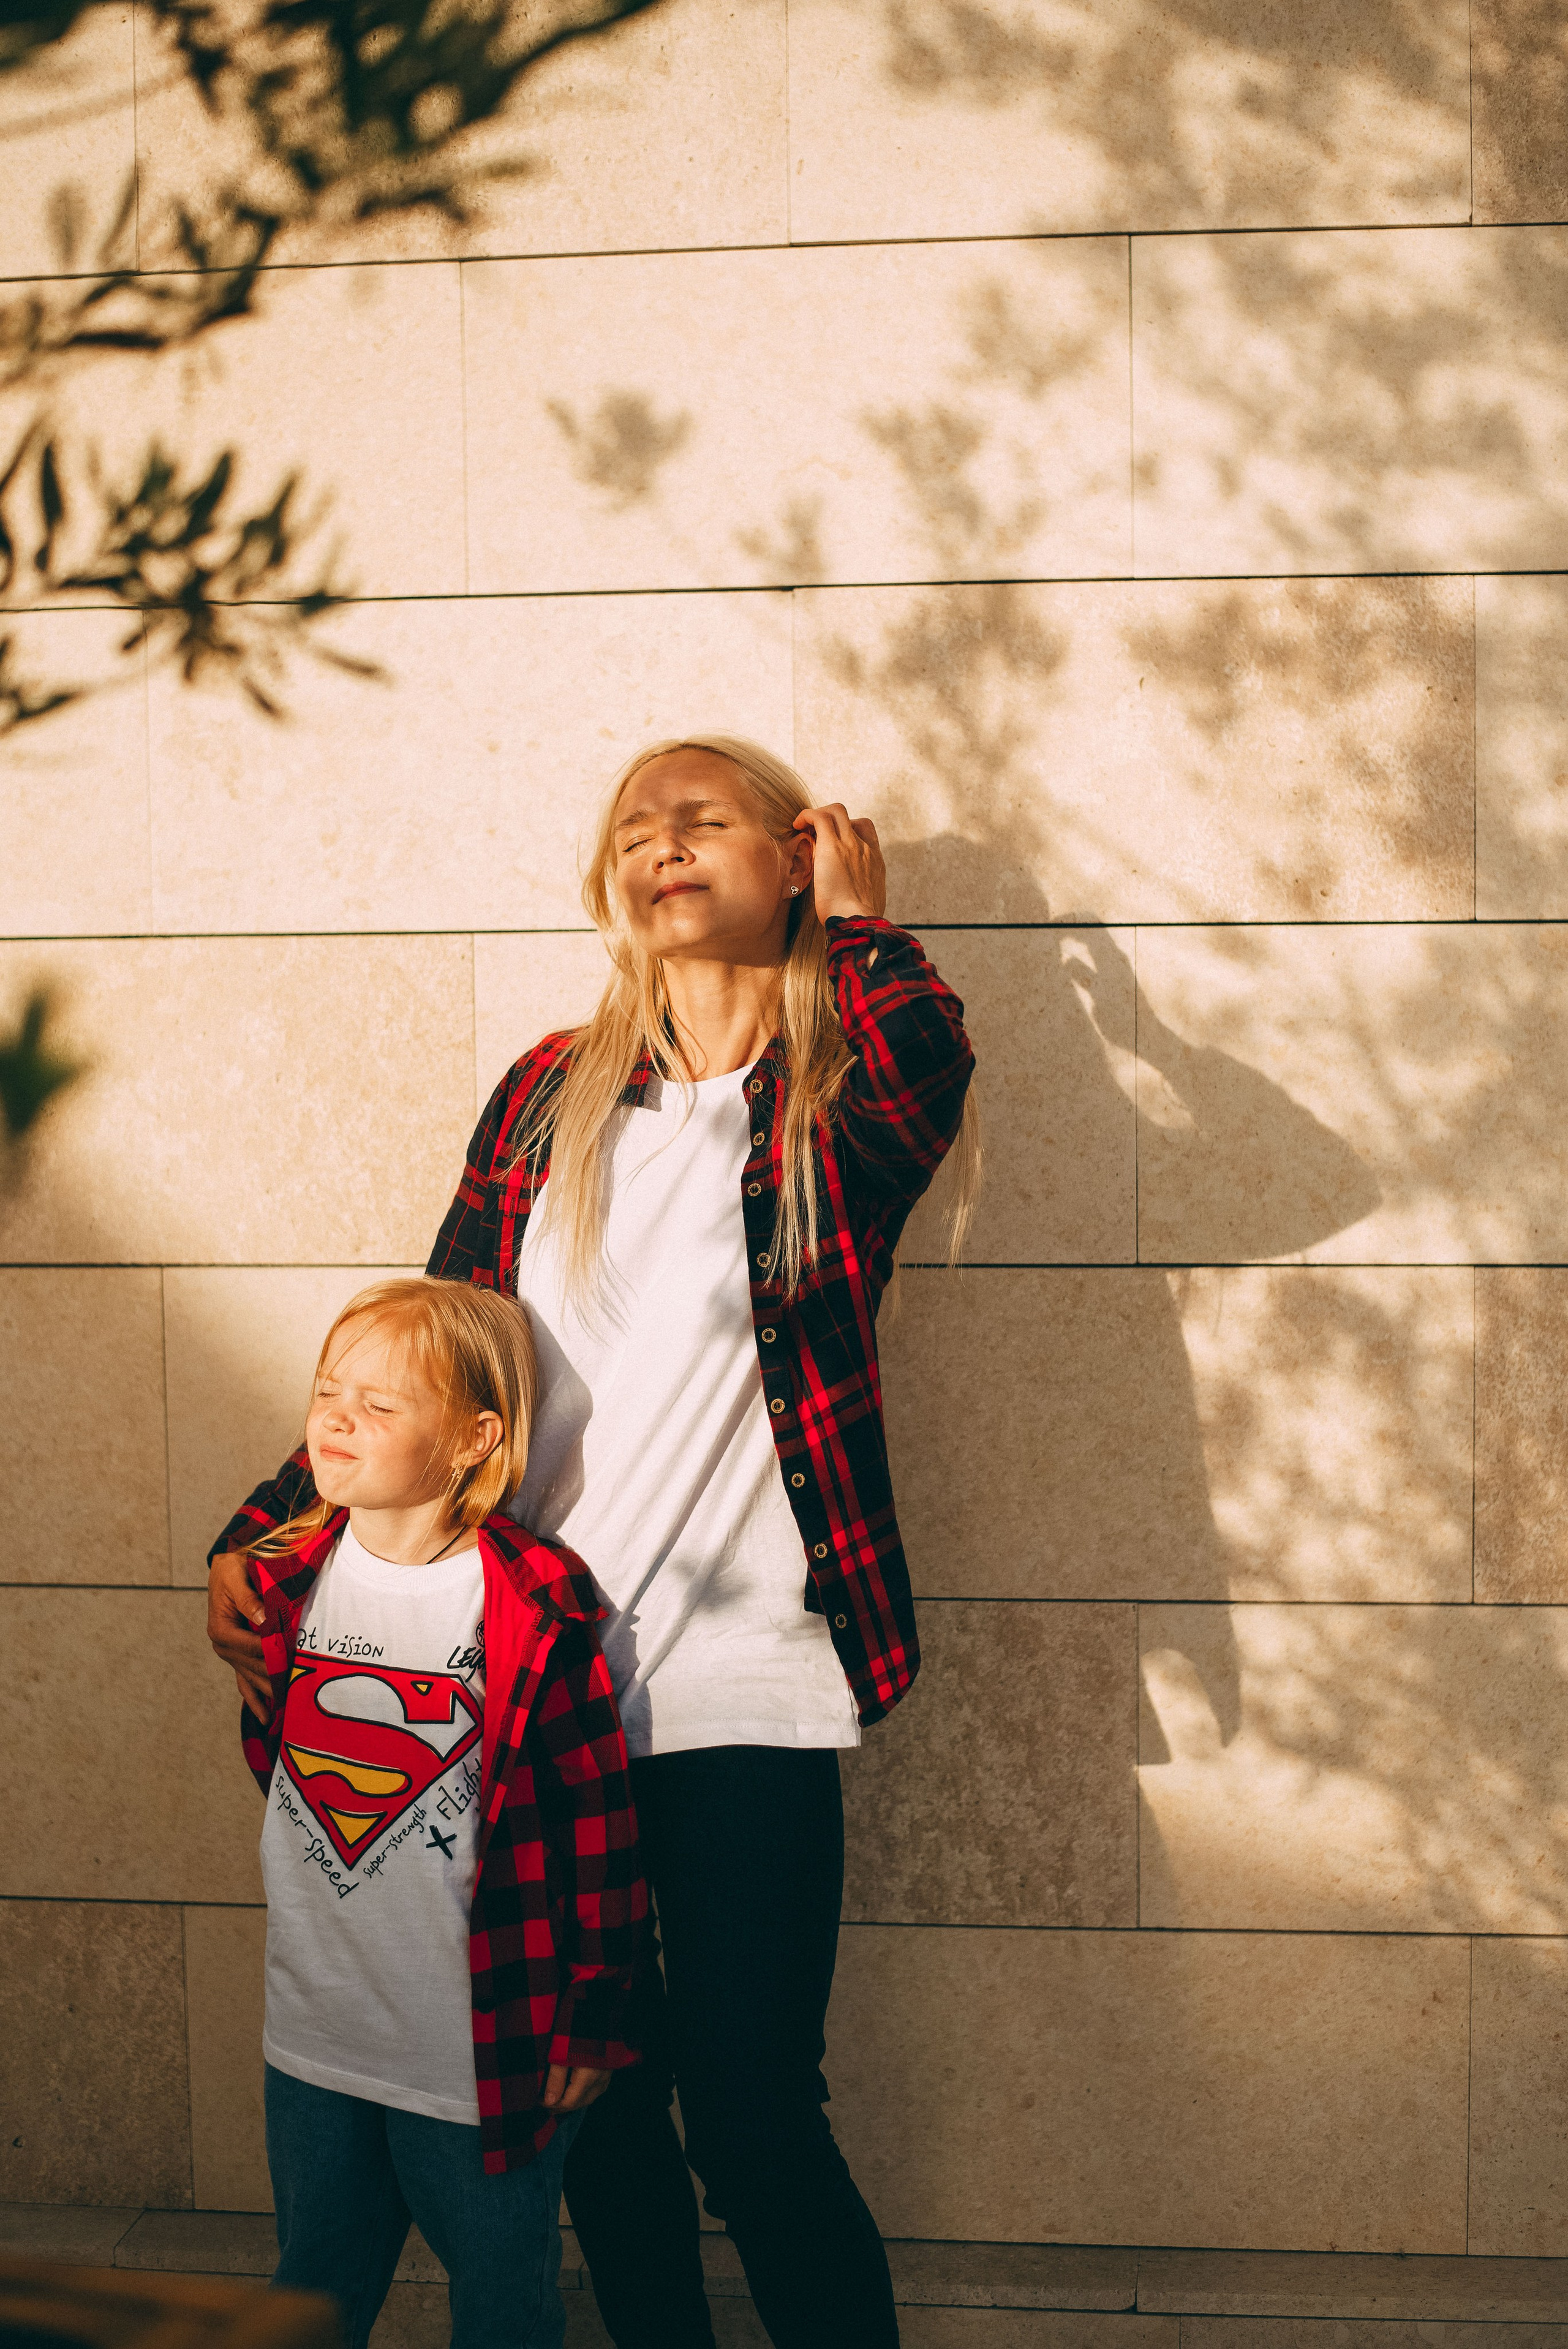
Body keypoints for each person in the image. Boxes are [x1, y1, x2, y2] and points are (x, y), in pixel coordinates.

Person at [209, 736, 980, 2349]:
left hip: (744, 1682)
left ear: (790, 855)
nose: (665, 842)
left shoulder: (835, 1094)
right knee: (593, 2113)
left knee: (755, 2104)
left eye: (705, 819)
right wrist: (280, 1523)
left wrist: (858, 926)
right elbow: (448, 1340)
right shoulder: (554, 1093)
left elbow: (925, 1061)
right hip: (537, 1687)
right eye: (638, 827)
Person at [233, 1275, 644, 2349]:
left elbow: (596, 1829)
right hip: (315, 2036)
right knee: (312, 2293)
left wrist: (596, 2011)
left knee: (503, 2300)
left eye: (380, 1405)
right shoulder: (286, 1577)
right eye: (329, 1391)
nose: (337, 1419)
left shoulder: (534, 1605)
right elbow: (285, 1760)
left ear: (475, 1438)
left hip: (478, 2051)